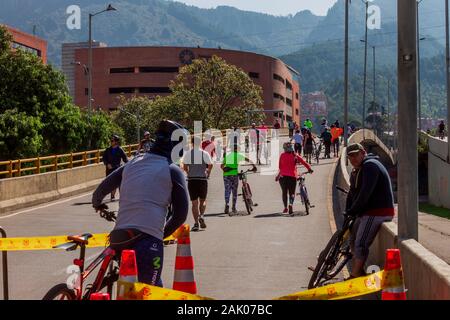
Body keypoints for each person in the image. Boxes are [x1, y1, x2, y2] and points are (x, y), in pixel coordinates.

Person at [92, 120, 189, 287]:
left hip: (118, 238)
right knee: (151, 291)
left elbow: (100, 192)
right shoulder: (172, 170)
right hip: (147, 242)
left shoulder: (132, 163)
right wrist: (161, 233)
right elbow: (180, 215)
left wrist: (98, 205)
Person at [345, 143, 395, 278]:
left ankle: (355, 274)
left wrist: (353, 210)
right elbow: (352, 193)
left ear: (363, 152)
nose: (353, 159)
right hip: (367, 211)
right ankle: (358, 268)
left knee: (360, 242)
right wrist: (348, 211)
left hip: (377, 211)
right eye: (350, 157)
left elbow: (365, 193)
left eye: (356, 155)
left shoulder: (370, 166)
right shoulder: (358, 170)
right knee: (352, 237)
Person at [182, 136, 213, 232]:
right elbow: (210, 164)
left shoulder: (188, 154)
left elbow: (185, 166)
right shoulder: (204, 153)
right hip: (202, 179)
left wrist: (188, 173)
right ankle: (202, 215)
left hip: (192, 180)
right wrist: (208, 172)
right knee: (203, 201)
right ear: (200, 143)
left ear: (191, 143)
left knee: (194, 203)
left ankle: (196, 223)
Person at [277, 142, 313, 215]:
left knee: (284, 192)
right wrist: (309, 168)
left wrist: (278, 176)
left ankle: (285, 207)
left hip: (283, 177)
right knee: (292, 193)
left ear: (284, 149)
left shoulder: (282, 155)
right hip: (292, 176)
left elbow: (280, 167)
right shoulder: (295, 155)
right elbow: (303, 162)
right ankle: (290, 204)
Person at [221, 144, 256, 214]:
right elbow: (247, 159)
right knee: (234, 191)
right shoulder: (238, 155)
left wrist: (225, 169)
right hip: (234, 175)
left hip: (226, 175)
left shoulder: (228, 156)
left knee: (227, 190)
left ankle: (227, 204)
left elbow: (222, 166)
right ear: (236, 149)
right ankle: (233, 207)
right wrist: (253, 165)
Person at [103, 135, 129, 201]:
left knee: (117, 183)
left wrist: (129, 165)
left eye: (112, 141)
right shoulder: (108, 150)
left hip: (117, 168)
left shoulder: (120, 150)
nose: (111, 142)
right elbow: (104, 158)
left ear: (116, 142)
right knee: (110, 183)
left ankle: (114, 196)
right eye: (111, 140)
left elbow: (125, 159)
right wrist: (107, 164)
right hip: (109, 169)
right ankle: (112, 195)